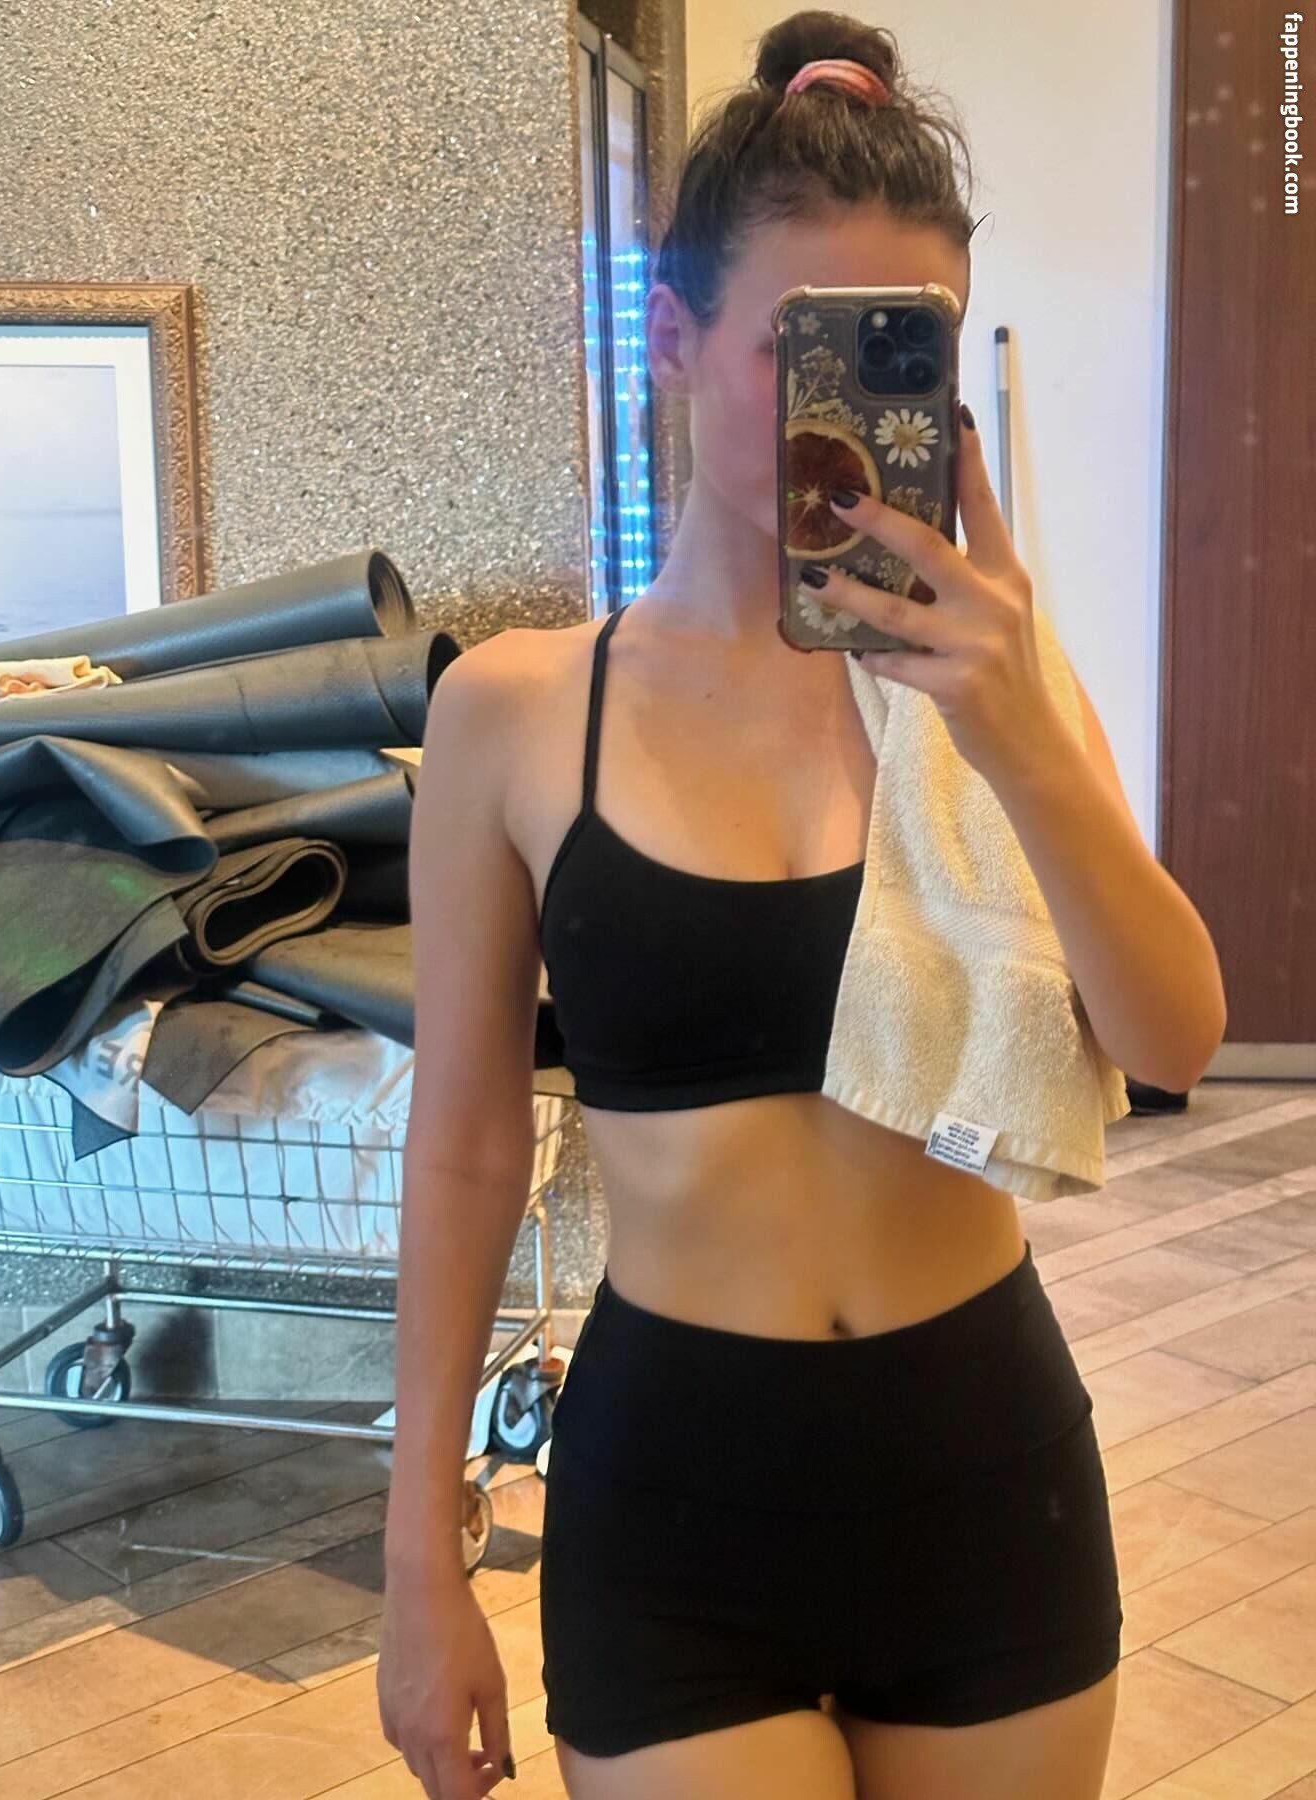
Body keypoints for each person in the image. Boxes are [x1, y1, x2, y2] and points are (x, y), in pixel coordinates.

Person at [377, 13, 1226, 1800]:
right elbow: (461, 1145)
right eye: (799, 346)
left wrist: (1016, 734)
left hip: (985, 1475)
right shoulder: (516, 714)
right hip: (675, 1501)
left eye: (900, 352)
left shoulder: (998, 688)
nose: (844, 417)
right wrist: (417, 1556)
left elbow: (1173, 1041)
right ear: (673, 338)